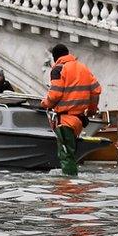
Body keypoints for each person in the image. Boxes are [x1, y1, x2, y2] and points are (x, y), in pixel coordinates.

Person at [40, 44, 102, 176]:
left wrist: (44, 103)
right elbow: (96, 91)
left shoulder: (58, 69)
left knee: (66, 156)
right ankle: (75, 187)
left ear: (55, 57)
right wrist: (91, 110)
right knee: (71, 154)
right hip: (78, 121)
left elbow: (55, 94)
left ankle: (69, 189)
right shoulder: (83, 68)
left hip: (65, 120)